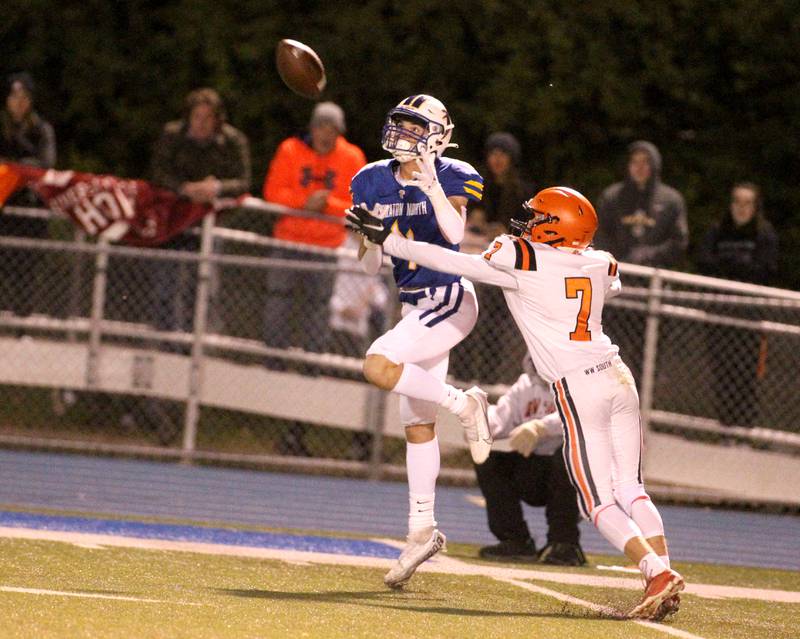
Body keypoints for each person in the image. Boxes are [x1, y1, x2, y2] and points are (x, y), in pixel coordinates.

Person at [347, 186, 684, 620]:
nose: (528, 222)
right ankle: (665, 575)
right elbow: (608, 284)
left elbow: (456, 262)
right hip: (619, 375)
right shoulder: (602, 262)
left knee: (597, 501)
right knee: (631, 489)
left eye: (539, 216)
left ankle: (655, 574)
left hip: (580, 384)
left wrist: (391, 242)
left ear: (556, 227)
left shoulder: (521, 256)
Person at [348, 94, 489, 589]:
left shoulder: (452, 173)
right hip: (414, 305)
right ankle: (421, 530)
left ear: (436, 136)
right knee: (416, 426)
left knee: (378, 362)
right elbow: (369, 265)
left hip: (450, 298)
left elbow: (453, 236)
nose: (402, 136)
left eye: (414, 129)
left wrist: (428, 183)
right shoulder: (369, 179)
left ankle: (465, 403)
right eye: (400, 127)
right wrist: (365, 237)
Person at [143, 87, 251, 443]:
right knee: (164, 305)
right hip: (172, 233)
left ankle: (197, 391)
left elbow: (244, 181)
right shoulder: (173, 136)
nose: (202, 123)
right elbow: (157, 173)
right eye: (197, 117)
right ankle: (160, 397)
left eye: (208, 118)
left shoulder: (232, 141)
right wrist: (184, 189)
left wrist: (215, 187)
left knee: (203, 304)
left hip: (209, 234)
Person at [261, 102, 366, 457]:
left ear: (339, 131)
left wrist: (327, 206)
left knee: (317, 321)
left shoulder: (352, 157)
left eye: (331, 127)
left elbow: (358, 204)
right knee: (276, 309)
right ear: (312, 127)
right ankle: (272, 372)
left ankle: (309, 372)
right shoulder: (290, 150)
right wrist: (304, 202)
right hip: (289, 243)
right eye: (320, 126)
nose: (325, 133)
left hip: (326, 249)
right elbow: (273, 192)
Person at [476, 354, 585, 565]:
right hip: (537, 470)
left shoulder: (581, 381)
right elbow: (501, 418)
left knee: (568, 455)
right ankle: (515, 540)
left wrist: (541, 427)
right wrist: (479, 425)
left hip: (577, 480)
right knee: (487, 458)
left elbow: (580, 415)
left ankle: (566, 544)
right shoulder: (525, 384)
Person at [593, 140, 688, 381]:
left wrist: (647, 256)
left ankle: (641, 407)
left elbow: (679, 241)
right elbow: (599, 234)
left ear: (655, 166)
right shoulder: (613, 197)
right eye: (635, 161)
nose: (640, 167)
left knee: (647, 357)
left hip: (651, 290)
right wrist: (620, 260)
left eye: (646, 162)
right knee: (610, 351)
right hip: (617, 289)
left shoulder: (670, 200)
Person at [454, 132, 534, 383]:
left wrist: (505, 232)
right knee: (465, 314)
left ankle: (488, 380)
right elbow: (462, 213)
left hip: (503, 265)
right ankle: (460, 375)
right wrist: (475, 219)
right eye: (493, 153)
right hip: (474, 258)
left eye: (503, 154)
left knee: (494, 323)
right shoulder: (477, 184)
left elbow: (528, 228)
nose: (497, 159)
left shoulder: (522, 190)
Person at [697, 182, 779, 427]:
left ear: (756, 207)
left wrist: (729, 266)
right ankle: (725, 427)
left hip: (749, 318)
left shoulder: (764, 235)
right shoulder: (717, 231)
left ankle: (745, 429)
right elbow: (704, 263)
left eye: (748, 203)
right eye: (737, 202)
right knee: (721, 372)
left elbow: (764, 271)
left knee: (745, 373)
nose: (742, 208)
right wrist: (737, 266)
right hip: (719, 314)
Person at [0, 72, 57, 317]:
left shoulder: (41, 129)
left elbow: (45, 164)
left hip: (30, 207)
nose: (19, 102)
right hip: (3, 204)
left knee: (27, 264)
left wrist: (14, 168)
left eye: (24, 97)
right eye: (14, 96)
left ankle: (23, 319)